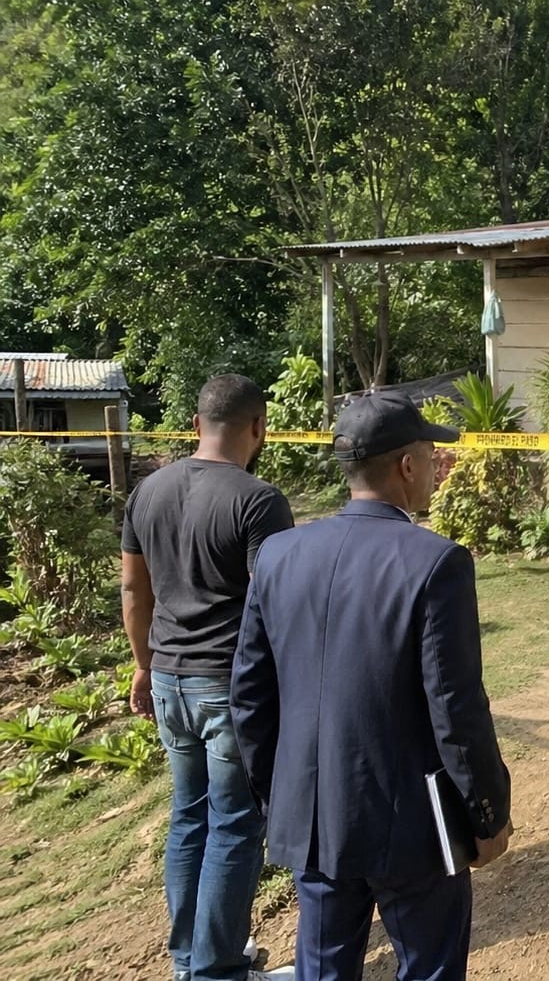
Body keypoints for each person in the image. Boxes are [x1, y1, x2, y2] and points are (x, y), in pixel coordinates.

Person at [231, 392, 512, 981]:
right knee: (429, 967)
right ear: (407, 465)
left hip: (314, 817)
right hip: (412, 825)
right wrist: (487, 815)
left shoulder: (279, 555)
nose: (437, 466)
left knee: (323, 969)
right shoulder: (436, 562)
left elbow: (250, 697)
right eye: (431, 454)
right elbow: (455, 708)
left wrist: (278, 799)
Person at [120, 374, 295, 981]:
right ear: (258, 428)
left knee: (188, 817)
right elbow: (275, 603)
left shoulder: (147, 491)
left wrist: (143, 664)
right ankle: (217, 969)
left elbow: (133, 589)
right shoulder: (259, 500)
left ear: (195, 424)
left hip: (168, 679)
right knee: (236, 824)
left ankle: (190, 959)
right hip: (228, 686)